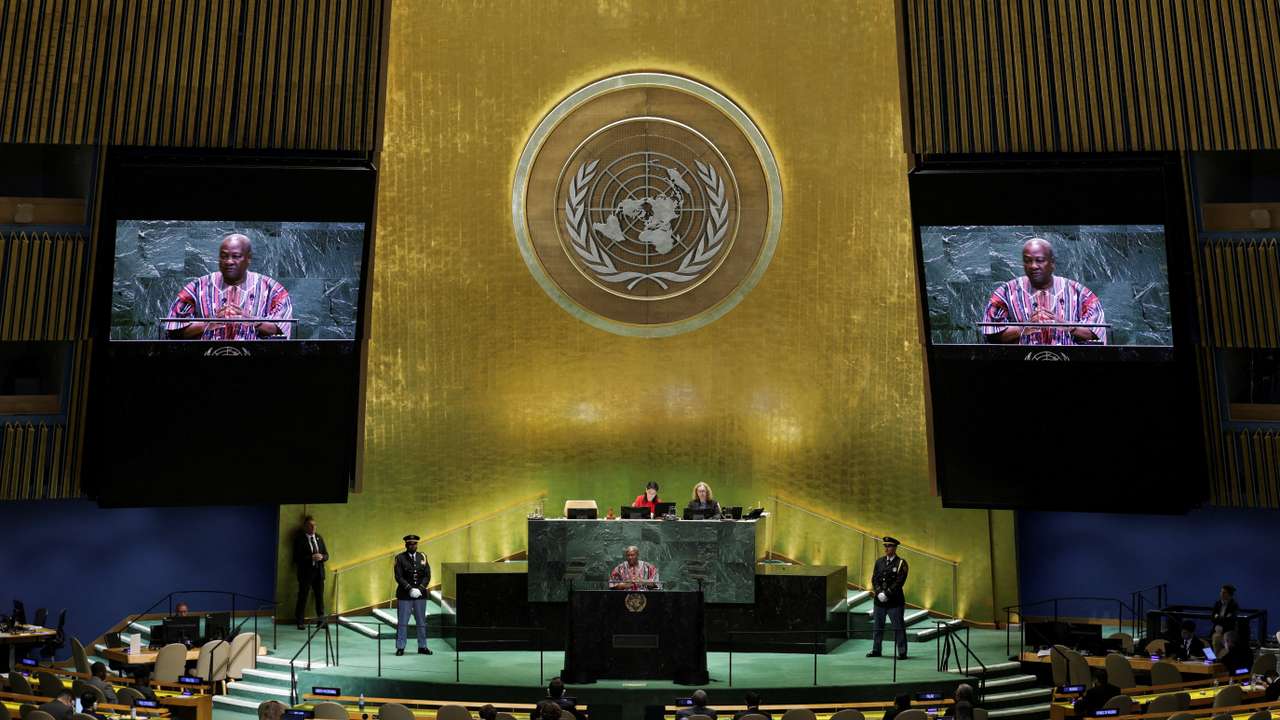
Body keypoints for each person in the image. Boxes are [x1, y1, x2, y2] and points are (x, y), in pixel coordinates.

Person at [166, 232, 294, 340]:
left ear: (248, 258)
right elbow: (174, 331)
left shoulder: (273, 289)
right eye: (224, 256)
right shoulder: (197, 287)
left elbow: (282, 330)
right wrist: (208, 324)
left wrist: (252, 321)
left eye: (236, 256)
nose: (229, 261)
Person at [982, 237, 1106, 345]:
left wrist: (1068, 326)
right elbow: (991, 335)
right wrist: (1023, 328)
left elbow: (1096, 333)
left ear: (1052, 263)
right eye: (1027, 261)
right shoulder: (1005, 292)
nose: (1033, 266)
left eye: (1040, 260)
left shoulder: (1080, 293)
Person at [867, 535, 910, 660]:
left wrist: (887, 594)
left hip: (894, 602)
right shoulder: (879, 562)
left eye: (889, 546)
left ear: (895, 548)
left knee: (898, 627)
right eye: (885, 546)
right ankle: (876, 650)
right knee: (877, 627)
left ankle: (902, 652)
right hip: (879, 601)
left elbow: (899, 581)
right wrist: (879, 592)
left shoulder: (901, 563)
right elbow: (874, 579)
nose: (886, 548)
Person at [393, 534, 432, 656]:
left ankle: (422, 646)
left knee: (421, 622)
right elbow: (398, 576)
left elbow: (427, 575)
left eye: (414, 544)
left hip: (420, 595)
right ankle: (400, 647)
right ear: (406, 545)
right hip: (405, 595)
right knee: (403, 622)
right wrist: (410, 589)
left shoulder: (423, 556)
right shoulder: (400, 558)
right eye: (410, 544)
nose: (412, 546)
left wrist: (420, 589)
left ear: (417, 545)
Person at [293, 515, 329, 630]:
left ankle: (321, 621)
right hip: (305, 573)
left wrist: (322, 557)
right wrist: (311, 558)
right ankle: (300, 621)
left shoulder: (319, 538)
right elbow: (296, 558)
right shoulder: (299, 539)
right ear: (305, 527)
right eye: (310, 525)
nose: (313, 527)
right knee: (303, 597)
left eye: (314, 525)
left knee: (319, 597)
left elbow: (327, 555)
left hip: (319, 572)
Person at [1211, 584, 1240, 653]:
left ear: (1229, 594)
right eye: (1221, 592)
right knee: (1212, 644)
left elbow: (1230, 620)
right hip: (1216, 630)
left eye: (1224, 592)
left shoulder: (1234, 605)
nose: (1221, 594)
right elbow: (1212, 617)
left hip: (1228, 631)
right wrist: (1221, 618)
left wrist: (1218, 618)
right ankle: (1215, 657)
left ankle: (1222, 657)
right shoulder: (1217, 603)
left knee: (1219, 640)